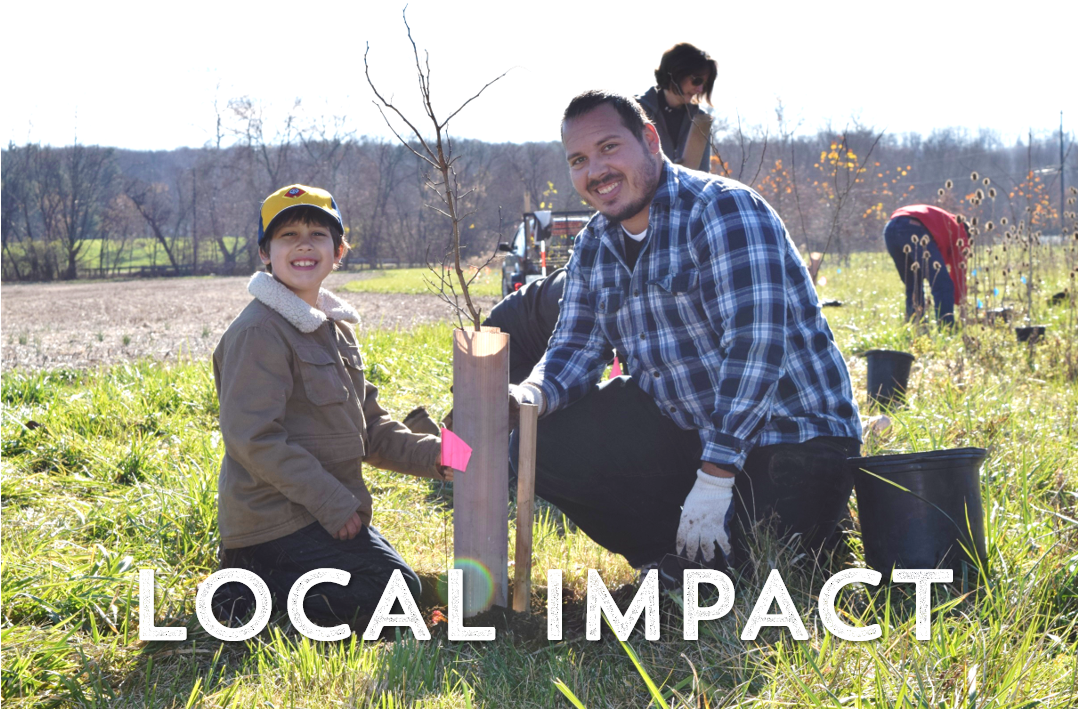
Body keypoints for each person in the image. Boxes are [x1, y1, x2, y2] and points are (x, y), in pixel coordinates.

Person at [509, 91, 862, 576]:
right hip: (690, 428)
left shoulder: (724, 210)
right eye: (579, 160)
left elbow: (755, 350)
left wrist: (715, 480)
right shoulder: (595, 243)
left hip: (790, 435)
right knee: (541, 443)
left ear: (650, 140)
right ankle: (671, 556)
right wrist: (526, 399)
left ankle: (749, 547)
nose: (596, 171)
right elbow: (573, 348)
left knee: (777, 563)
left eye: (610, 147)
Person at [212, 184, 449, 622]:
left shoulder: (334, 331)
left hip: (321, 514)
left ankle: (265, 583)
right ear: (265, 253)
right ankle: (245, 592)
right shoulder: (259, 333)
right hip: (275, 521)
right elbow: (254, 438)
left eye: (317, 234)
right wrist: (332, 504)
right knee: (395, 597)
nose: (303, 245)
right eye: (287, 235)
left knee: (400, 589)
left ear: (339, 251)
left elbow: (372, 430)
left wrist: (443, 456)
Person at [636, 43, 717, 172]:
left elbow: (702, 176)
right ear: (676, 73)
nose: (700, 89)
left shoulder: (700, 121)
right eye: (696, 81)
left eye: (705, 84)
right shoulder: (634, 111)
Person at [883, 205, 970, 324]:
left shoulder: (944, 222)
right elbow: (958, 270)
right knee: (943, 285)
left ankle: (916, 327)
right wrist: (960, 300)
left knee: (913, 284)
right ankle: (947, 328)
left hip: (890, 228)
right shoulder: (960, 232)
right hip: (914, 228)